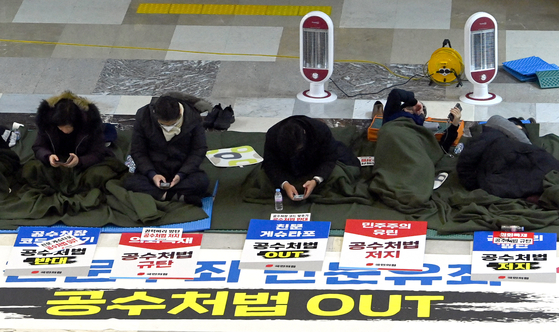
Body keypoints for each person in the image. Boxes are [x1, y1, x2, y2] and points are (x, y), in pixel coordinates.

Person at [24, 91, 118, 195]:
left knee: (101, 174)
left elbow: (98, 152)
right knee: (31, 169)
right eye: (60, 127)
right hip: (56, 162)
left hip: (83, 164)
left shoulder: (90, 125)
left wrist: (80, 161)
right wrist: (48, 156)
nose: (64, 131)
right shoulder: (47, 123)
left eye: (68, 127)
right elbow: (39, 146)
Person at [123, 94, 210, 207]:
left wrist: (181, 174)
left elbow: (198, 150)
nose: (168, 128)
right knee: (130, 183)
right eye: (163, 125)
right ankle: (172, 195)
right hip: (154, 167)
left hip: (181, 167)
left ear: (179, 113)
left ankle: (160, 194)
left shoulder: (193, 118)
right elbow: (138, 151)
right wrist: (152, 174)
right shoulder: (143, 116)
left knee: (201, 182)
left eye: (172, 125)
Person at [457, 115, 559, 199]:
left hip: (494, 175)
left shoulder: (491, 134)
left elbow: (466, 163)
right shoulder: (494, 134)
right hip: (501, 167)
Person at [262, 115, 360, 201]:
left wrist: (316, 180)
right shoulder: (272, 134)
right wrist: (285, 185)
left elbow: (329, 158)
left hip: (316, 161)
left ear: (304, 134)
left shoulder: (320, 130)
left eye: (298, 149)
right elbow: (270, 163)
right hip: (288, 166)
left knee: (340, 174)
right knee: (262, 178)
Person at [382, 88, 462, 152]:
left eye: (422, 111)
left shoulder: (420, 131)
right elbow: (396, 93)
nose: (420, 109)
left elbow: (442, 148)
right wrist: (415, 102)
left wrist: (455, 124)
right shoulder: (392, 115)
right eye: (417, 107)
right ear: (404, 109)